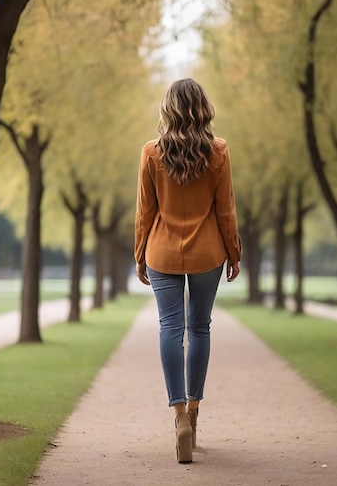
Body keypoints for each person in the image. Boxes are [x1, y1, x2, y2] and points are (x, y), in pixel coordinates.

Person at [134, 77, 241, 464]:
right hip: (207, 254)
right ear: (203, 108)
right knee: (199, 328)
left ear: (168, 109)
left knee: (169, 328)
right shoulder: (219, 152)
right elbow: (225, 209)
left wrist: (139, 254)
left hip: (161, 252)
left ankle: (178, 414)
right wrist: (234, 252)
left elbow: (145, 211)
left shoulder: (151, 152)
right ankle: (194, 412)